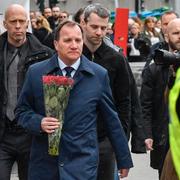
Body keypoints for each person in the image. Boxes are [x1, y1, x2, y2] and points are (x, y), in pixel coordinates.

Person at [15, 20, 133, 180]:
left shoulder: (98, 75)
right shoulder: (36, 72)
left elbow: (112, 120)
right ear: (56, 44)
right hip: (45, 166)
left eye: (78, 40)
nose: (74, 45)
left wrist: (123, 159)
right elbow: (21, 111)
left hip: (81, 165)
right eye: (67, 40)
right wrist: (39, 122)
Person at [81, 4, 139, 180]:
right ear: (83, 23)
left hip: (107, 138)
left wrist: (120, 143)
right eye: (94, 27)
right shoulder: (72, 55)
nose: (99, 32)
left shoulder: (116, 59)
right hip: (77, 137)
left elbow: (124, 102)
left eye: (104, 28)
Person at [0, 4, 53, 180]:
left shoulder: (45, 55)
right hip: (3, 134)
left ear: (27, 23)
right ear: (4, 23)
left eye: (21, 21)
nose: (17, 26)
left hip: (31, 134)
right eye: (13, 21)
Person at [140, 17, 180, 178]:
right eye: (176, 33)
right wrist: (147, 134)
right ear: (166, 36)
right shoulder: (155, 68)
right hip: (163, 137)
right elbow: (145, 104)